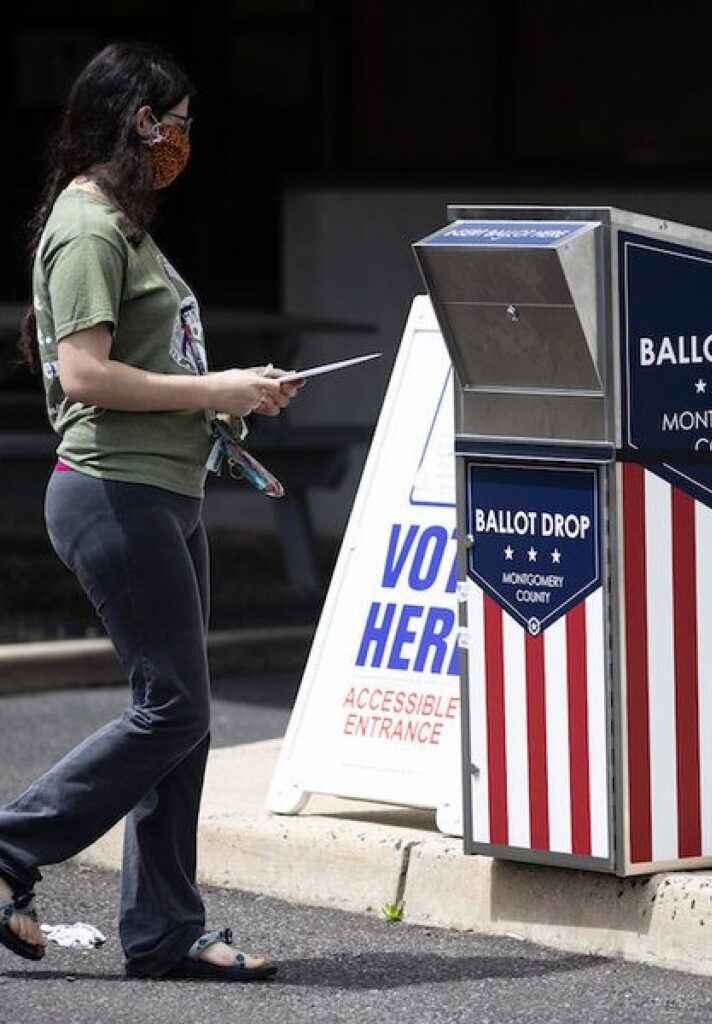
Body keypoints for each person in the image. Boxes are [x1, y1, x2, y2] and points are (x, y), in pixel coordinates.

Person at [0, 41, 305, 981]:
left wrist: (227, 402)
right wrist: (217, 386)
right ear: (140, 121)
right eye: (177, 120)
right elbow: (83, 373)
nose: (185, 139)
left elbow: (151, 363)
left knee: (182, 712)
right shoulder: (88, 227)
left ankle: (166, 930)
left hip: (162, 493)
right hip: (114, 492)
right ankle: (11, 846)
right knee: (174, 705)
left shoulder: (126, 229)